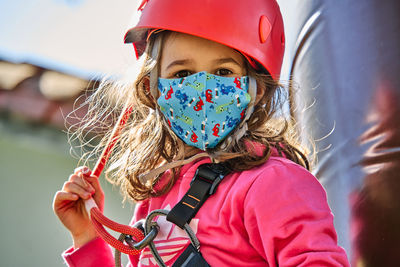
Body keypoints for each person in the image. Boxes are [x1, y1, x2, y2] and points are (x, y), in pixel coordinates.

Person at [53, 0, 350, 266]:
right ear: (152, 89)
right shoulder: (157, 196)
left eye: (223, 72)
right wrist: (88, 238)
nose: (202, 92)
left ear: (255, 88)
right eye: (182, 74)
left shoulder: (273, 183)